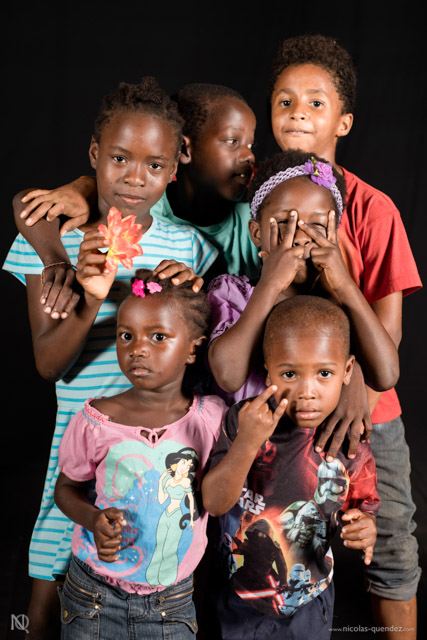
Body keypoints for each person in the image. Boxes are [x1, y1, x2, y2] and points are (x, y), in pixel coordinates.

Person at [3, 76, 217, 639]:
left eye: (153, 165)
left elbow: (198, 347)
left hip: (155, 453)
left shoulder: (190, 248)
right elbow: (49, 364)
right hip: (78, 445)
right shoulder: (55, 241)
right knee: (47, 590)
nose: (134, 177)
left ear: (173, 171)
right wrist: (92, 295)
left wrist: (191, 293)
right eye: (120, 158)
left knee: (148, 569)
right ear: (95, 154)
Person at [267, 34, 421, 637]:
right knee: (270, 542)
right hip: (281, 403)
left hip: (366, 408)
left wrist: (358, 388)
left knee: (391, 545)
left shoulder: (372, 209)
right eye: (284, 101)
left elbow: (389, 332)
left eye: (316, 102)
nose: (297, 113)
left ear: (344, 121)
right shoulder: (257, 196)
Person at [54, 268, 226, 639]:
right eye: (126, 336)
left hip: (171, 603)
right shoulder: (96, 420)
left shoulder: (210, 419)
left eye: (158, 336)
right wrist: (93, 519)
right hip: (92, 594)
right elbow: (65, 489)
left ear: (193, 348)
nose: (137, 349)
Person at [202, 295, 379, 639]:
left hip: (309, 605)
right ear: (267, 369)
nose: (307, 391)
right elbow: (214, 503)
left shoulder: (348, 440)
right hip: (236, 599)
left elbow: (365, 507)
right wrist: (248, 441)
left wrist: (366, 527)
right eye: (289, 373)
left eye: (324, 373)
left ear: (347, 371)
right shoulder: (245, 419)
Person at [12, 83, 259, 320]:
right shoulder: (141, 203)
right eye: (232, 141)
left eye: (251, 144)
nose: (249, 155)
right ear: (184, 150)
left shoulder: (248, 219)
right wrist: (56, 261)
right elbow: (26, 202)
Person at [207, 149, 399, 449]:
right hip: (247, 464)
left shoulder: (341, 303)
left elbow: (386, 375)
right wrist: (270, 284)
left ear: (334, 234)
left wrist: (345, 285)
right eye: (285, 222)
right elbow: (228, 377)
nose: (299, 236)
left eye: (317, 226)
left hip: (318, 465)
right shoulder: (231, 295)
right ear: (256, 233)